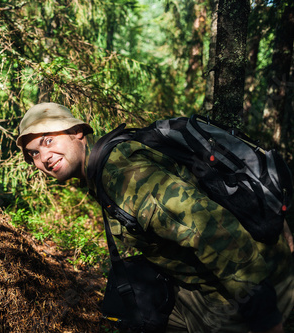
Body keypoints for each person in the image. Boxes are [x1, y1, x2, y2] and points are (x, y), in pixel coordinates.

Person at [16, 102, 294, 333]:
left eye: (48, 141)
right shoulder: (103, 169)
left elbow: (210, 229)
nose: (44, 157)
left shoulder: (121, 174)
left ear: (77, 132)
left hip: (252, 282)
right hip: (217, 278)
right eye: (34, 154)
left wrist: (266, 318)